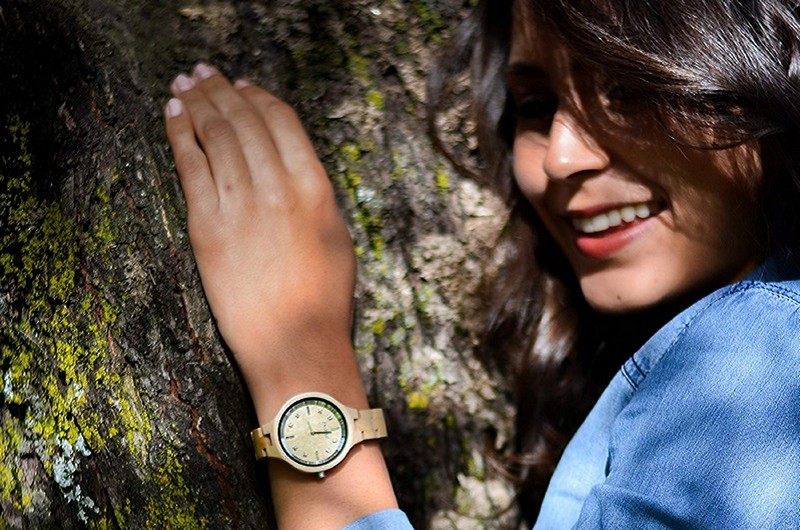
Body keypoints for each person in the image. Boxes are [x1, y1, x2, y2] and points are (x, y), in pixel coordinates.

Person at [164, 0, 800, 528]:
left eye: (627, 89)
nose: (559, 158)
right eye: (534, 106)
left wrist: (300, 360)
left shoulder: (764, 354)